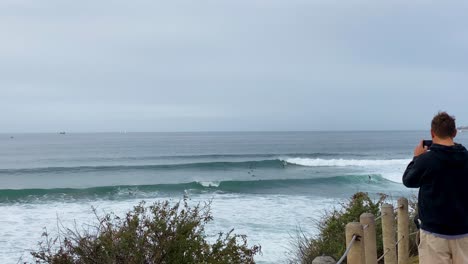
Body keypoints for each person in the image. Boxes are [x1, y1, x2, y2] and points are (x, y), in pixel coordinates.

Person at [403, 112, 468, 264]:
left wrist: (417, 158)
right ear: (455, 133)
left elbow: (408, 180)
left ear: (432, 133)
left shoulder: (427, 160)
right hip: (464, 232)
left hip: (434, 233)